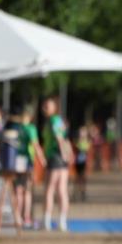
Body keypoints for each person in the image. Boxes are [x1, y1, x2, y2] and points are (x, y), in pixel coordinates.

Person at [41, 96, 71, 231]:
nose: (45, 108)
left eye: (48, 106)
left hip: (55, 157)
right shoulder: (51, 121)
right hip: (58, 157)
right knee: (60, 189)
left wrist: (64, 154)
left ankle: (49, 220)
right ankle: (61, 220)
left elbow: (60, 138)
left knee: (51, 189)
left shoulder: (54, 120)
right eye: (44, 106)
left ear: (54, 108)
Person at [21, 104, 45, 230]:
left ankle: (18, 218)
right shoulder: (31, 129)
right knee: (28, 191)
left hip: (15, 163)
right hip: (27, 162)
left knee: (18, 191)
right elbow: (35, 145)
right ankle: (26, 218)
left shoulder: (17, 127)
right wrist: (42, 159)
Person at [73, 122, 91, 202]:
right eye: (81, 132)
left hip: (84, 162)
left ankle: (83, 192)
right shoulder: (76, 140)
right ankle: (76, 192)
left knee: (83, 177)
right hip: (77, 162)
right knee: (77, 177)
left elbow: (86, 149)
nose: (82, 134)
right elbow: (75, 148)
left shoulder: (87, 141)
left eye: (83, 132)